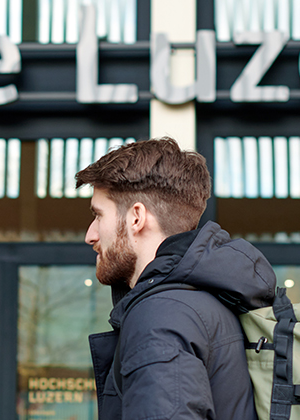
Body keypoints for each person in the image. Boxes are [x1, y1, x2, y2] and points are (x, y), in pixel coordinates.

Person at [77, 137, 272, 419]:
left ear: (136, 218)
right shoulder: (211, 302)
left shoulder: (160, 316)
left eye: (98, 216)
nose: (90, 235)